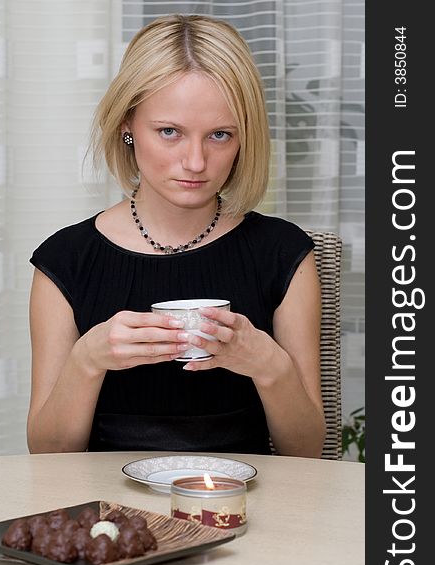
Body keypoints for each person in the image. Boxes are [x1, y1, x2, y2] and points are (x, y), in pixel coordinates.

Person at [27, 14, 326, 457]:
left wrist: (270, 366)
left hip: (249, 508)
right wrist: (87, 360)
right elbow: (47, 457)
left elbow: (306, 453)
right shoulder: (65, 261)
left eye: (220, 135)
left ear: (245, 140)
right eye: (170, 132)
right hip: (105, 514)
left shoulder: (284, 254)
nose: (196, 161)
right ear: (127, 124)